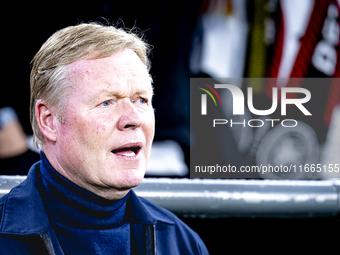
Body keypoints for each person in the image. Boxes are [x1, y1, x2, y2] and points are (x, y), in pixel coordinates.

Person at [0, 23, 209, 254]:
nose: (134, 119)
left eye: (141, 100)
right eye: (107, 102)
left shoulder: (183, 244)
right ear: (49, 121)